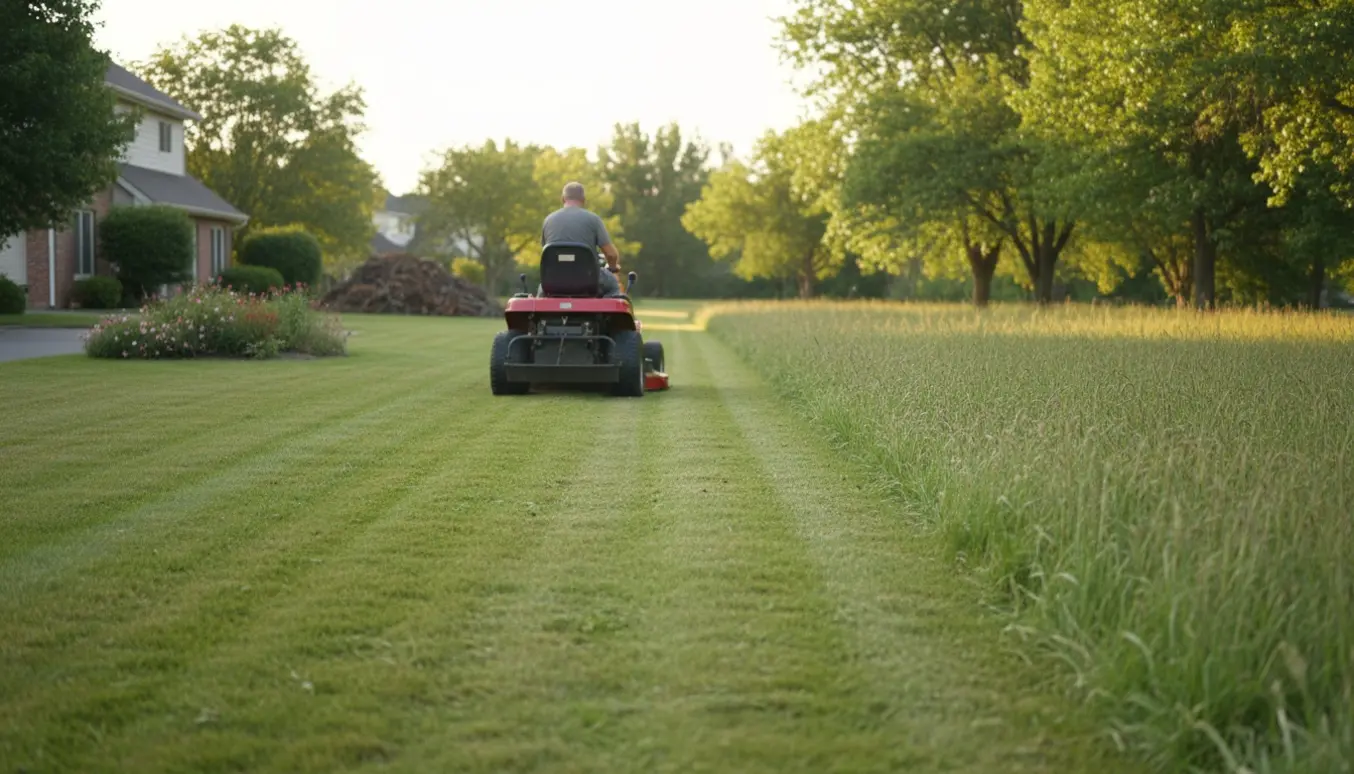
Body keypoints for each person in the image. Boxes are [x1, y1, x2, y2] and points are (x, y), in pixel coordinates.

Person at [541, 181, 623, 296]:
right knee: (613, 285)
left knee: (541, 289)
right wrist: (613, 268)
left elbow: (547, 255)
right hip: (588, 280)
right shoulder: (593, 220)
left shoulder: (548, 220)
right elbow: (611, 255)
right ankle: (603, 312)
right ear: (583, 200)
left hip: (554, 280)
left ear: (563, 199)